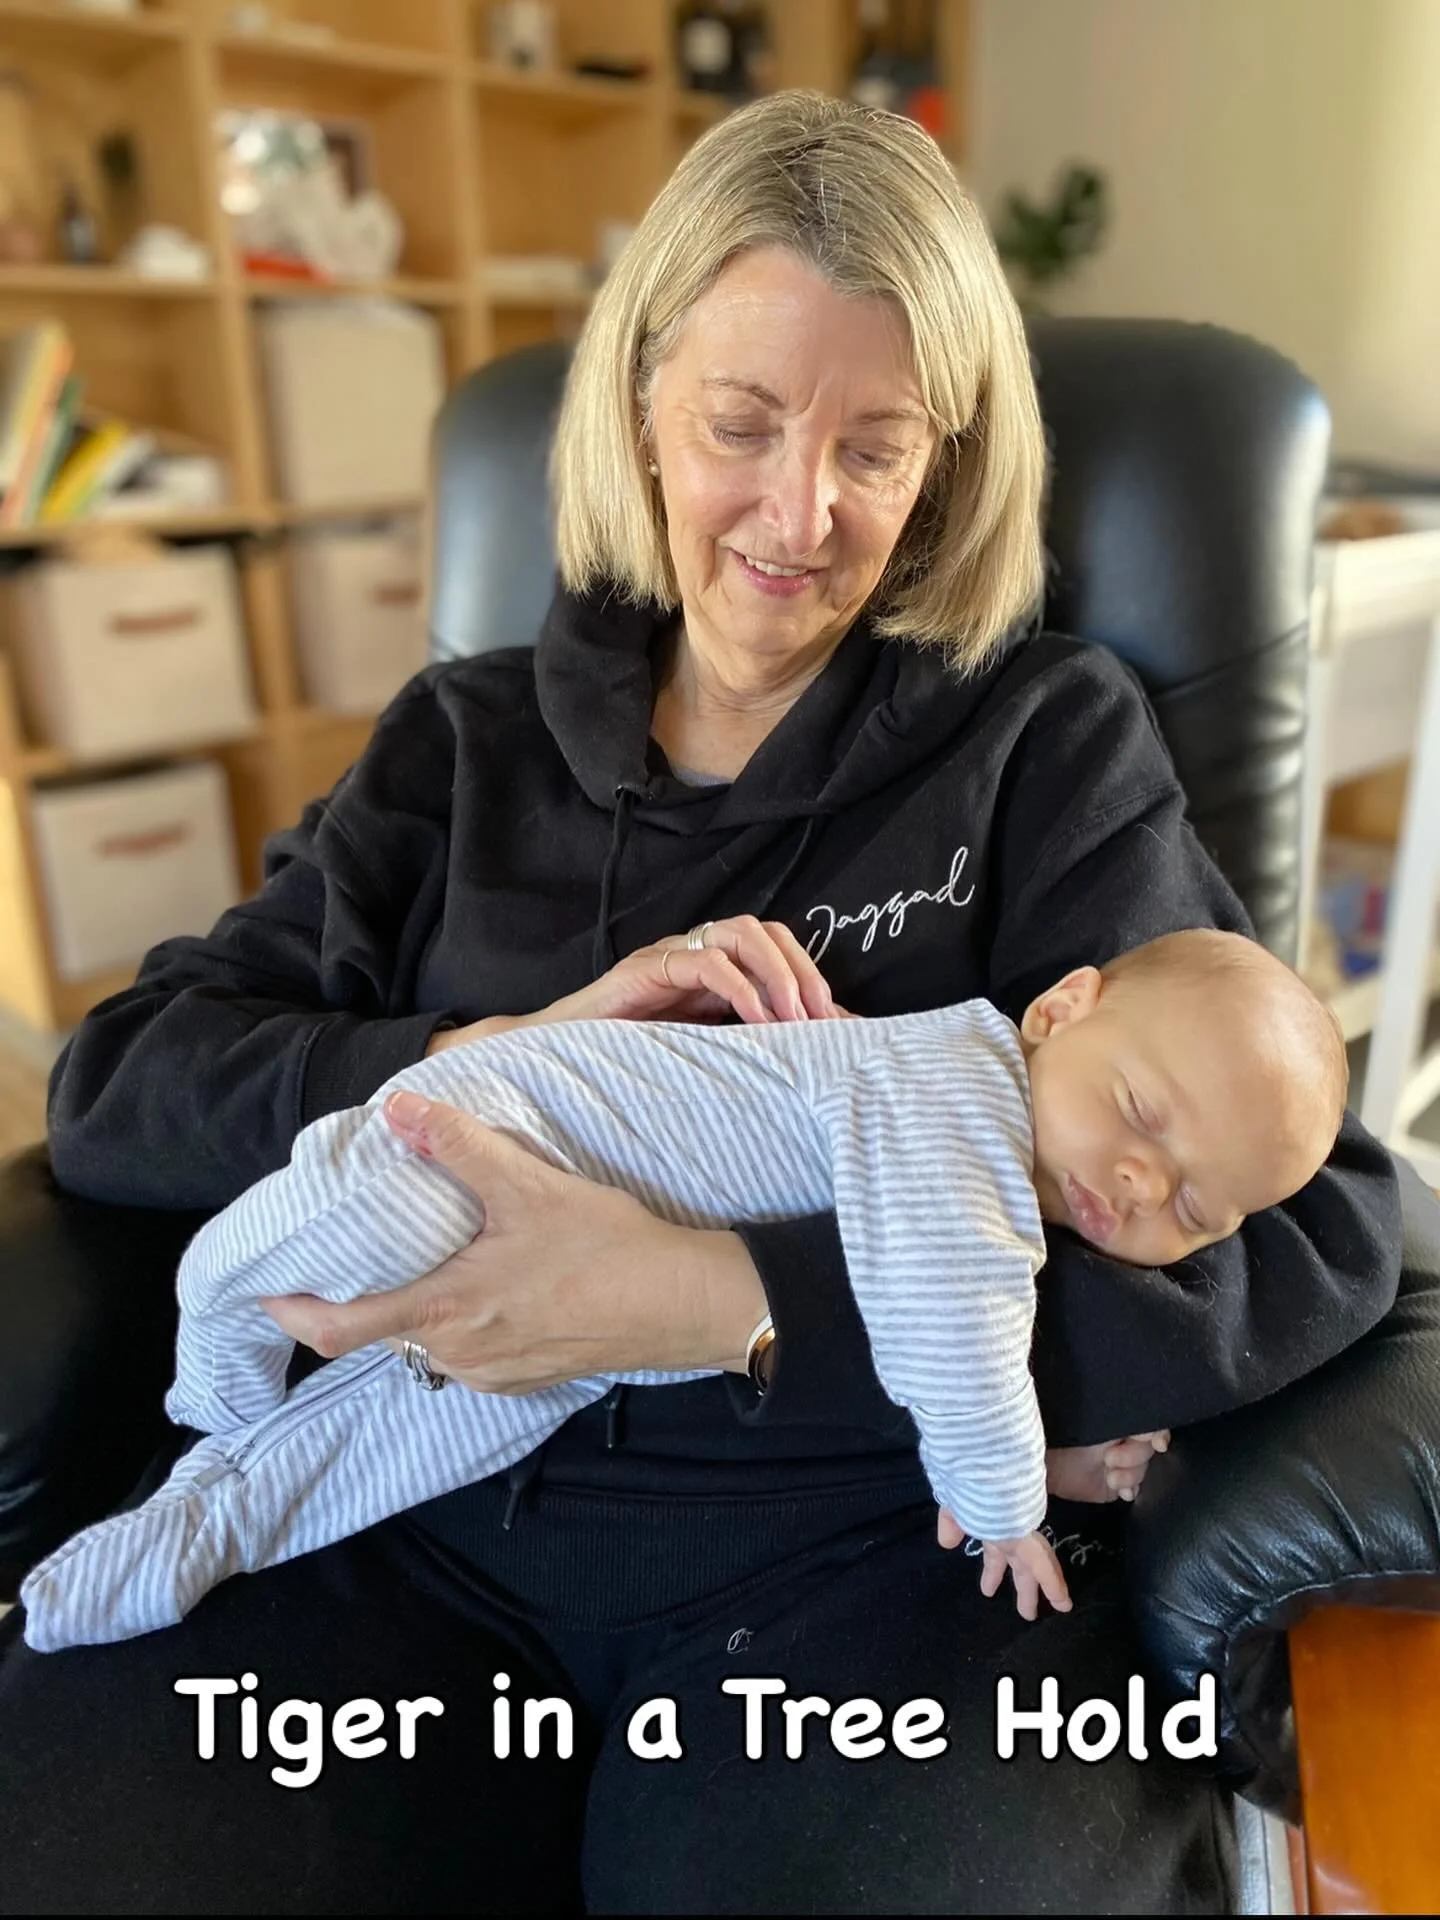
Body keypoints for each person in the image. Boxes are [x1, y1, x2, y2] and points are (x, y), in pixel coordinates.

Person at [0, 91, 1400, 1915]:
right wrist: (479, 1058)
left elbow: (1317, 1227)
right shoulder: (466, 740)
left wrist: (735, 1301)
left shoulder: (1042, 744)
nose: (802, 519)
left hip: (852, 1574)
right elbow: (123, 1079)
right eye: (742, 424)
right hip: (397, 1526)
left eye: (878, 449)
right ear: (644, 393)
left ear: (949, 460)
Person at [20, 927, 1350, 1654]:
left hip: (580, 1361)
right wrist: (1007, 1497)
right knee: (361, 1217)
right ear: (1062, 1008)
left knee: (400, 1438)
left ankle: (201, 1525)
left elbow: (1305, 1251)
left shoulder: (1030, 1160)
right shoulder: (965, 1097)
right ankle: (219, 1326)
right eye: (1139, 1113)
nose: (1135, 1180)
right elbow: (957, 1333)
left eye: (1192, 1206)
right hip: (511, 1126)